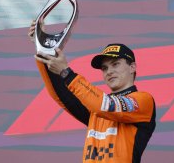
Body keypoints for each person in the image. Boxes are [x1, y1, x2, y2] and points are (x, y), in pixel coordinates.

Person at [28, 21, 156, 163]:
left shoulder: (143, 101)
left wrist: (66, 72)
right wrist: (42, 49)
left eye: (115, 64)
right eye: (105, 68)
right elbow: (61, 94)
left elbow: (104, 105)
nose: (109, 71)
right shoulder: (96, 111)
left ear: (132, 67)